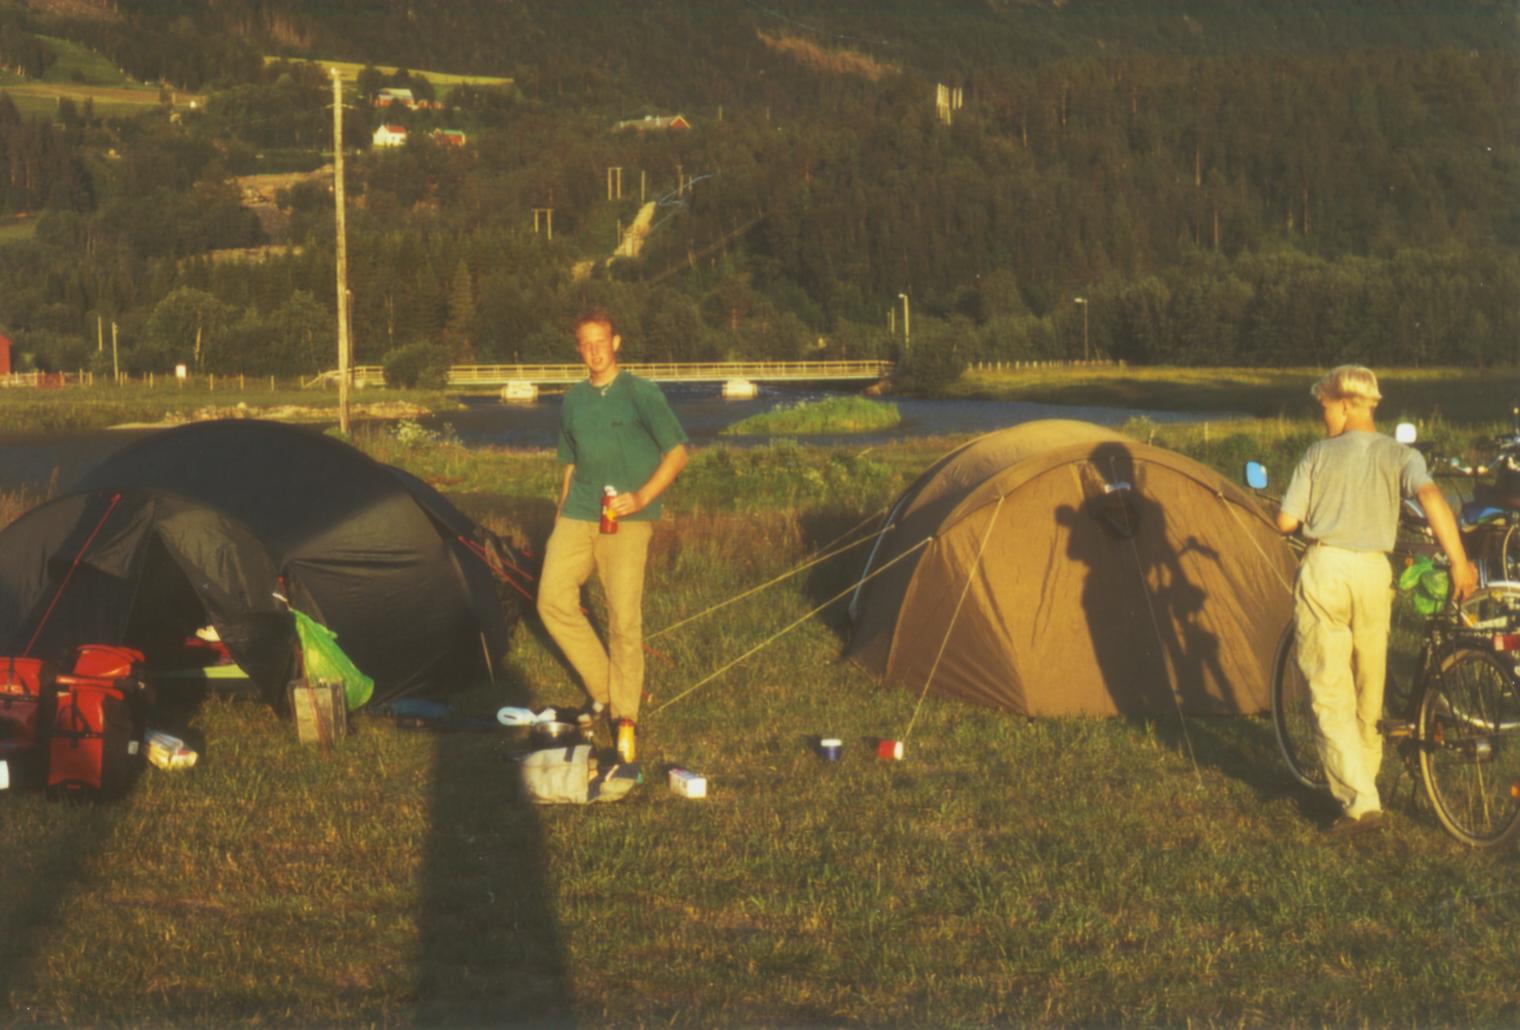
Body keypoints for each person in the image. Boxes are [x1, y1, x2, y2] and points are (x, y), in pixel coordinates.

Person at [1276, 365, 1477, 834]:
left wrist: (1290, 514)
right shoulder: (1398, 454)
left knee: (1328, 690)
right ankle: (1366, 781)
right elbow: (1430, 497)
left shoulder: (1318, 454)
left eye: (1323, 405)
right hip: (1373, 572)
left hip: (1327, 569)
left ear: (1345, 403)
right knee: (1371, 685)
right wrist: (1460, 561)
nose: (1321, 414)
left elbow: (1287, 522)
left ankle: (1359, 801)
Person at [536, 308, 688, 760]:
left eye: (601, 340)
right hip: (578, 514)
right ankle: (604, 685)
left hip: (627, 520)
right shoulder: (573, 400)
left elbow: (677, 453)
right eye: (586, 343)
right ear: (578, 349)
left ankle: (624, 717)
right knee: (551, 600)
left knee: (624, 620)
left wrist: (641, 499)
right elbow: (570, 461)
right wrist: (560, 517)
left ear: (616, 342)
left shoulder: (641, 393)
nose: (595, 350)